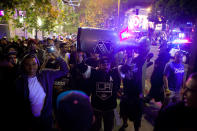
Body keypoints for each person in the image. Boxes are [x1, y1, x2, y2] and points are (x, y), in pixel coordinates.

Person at [15, 50, 68, 131]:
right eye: (27, 65)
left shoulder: (46, 74)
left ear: (38, 64)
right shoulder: (19, 82)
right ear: (23, 66)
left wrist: (58, 58)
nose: (31, 67)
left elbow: (64, 71)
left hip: (46, 118)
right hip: (30, 120)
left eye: (34, 64)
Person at [79, 56, 121, 131]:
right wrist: (80, 59)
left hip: (110, 107)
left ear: (110, 64)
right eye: (103, 64)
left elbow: (125, 69)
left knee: (108, 127)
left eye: (107, 64)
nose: (105, 66)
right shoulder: (93, 72)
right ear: (99, 65)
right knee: (95, 127)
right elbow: (82, 68)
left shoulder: (115, 72)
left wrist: (129, 57)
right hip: (97, 107)